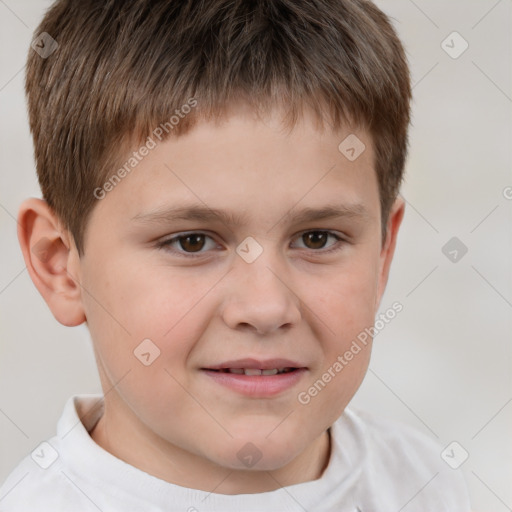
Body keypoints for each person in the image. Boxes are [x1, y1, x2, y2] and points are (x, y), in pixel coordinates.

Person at [0, 0, 471, 510]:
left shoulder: (429, 485)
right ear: (59, 265)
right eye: (192, 242)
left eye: (317, 239)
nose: (266, 308)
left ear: (383, 253)